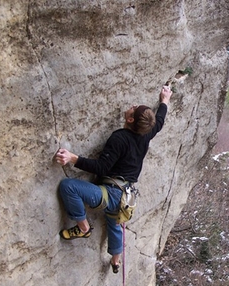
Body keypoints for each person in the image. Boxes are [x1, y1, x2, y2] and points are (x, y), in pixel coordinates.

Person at [54, 85, 172, 273]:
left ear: (130, 119)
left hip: (112, 193)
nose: (132, 105)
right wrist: (164, 100)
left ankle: (83, 227)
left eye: (134, 108)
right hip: (127, 196)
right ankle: (116, 260)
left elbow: (102, 167)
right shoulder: (146, 133)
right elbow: (159, 121)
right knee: (115, 223)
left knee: (69, 187)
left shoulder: (120, 138)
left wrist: (72, 158)